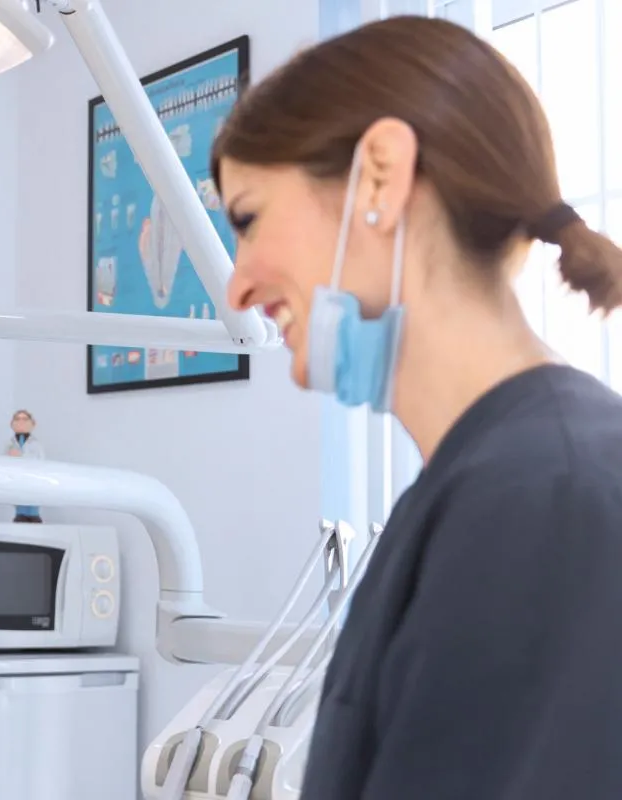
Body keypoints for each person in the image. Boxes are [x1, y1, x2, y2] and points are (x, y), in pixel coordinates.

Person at [213, 15, 622, 799]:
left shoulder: (546, 502)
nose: (237, 285)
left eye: (250, 218)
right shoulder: (484, 484)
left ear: (380, 178)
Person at [2, 409, 45, 522]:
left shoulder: (36, 445)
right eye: (17, 419)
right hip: (17, 485)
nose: (21, 422)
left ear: (32, 423)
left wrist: (21, 457)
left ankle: (32, 514)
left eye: (25, 419)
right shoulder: (10, 444)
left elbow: (41, 465)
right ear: (12, 423)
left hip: (32, 485)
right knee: (20, 515)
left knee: (32, 513)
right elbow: (3, 464)